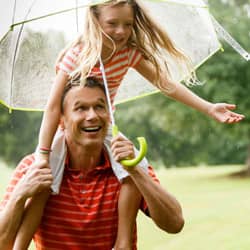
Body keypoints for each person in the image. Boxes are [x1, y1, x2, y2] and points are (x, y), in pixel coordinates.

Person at [19, 0, 245, 248]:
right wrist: (43, 153)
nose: (121, 31)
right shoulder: (77, 56)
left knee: (134, 167)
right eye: (112, 24)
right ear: (95, 22)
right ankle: (20, 244)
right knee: (42, 181)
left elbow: (165, 83)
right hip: (69, 130)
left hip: (104, 127)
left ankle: (123, 240)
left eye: (127, 24)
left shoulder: (128, 53)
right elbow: (52, 107)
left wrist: (208, 107)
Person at [0, 78, 185, 250]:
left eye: (99, 106)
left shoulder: (125, 165)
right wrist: (20, 194)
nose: (92, 116)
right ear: (61, 120)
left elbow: (175, 223)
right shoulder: (34, 168)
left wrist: (135, 171)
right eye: (81, 108)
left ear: (109, 114)